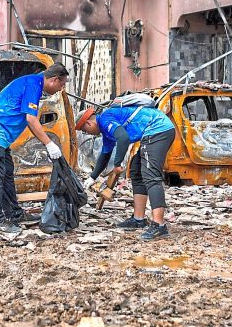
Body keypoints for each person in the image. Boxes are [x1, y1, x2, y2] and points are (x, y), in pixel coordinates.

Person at [0, 63, 70, 234]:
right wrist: (49, 143)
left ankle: (14, 213)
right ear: (54, 80)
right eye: (62, 85)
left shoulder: (34, 84)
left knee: (7, 173)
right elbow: (31, 119)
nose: (61, 89)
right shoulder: (33, 85)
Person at [76, 102, 177, 241]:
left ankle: (159, 225)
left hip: (158, 129)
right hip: (154, 131)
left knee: (151, 176)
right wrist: (92, 178)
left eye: (85, 131)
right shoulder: (107, 132)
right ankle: (138, 219)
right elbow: (105, 155)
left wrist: (117, 164)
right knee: (136, 171)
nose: (87, 133)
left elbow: (123, 138)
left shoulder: (105, 119)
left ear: (88, 123)